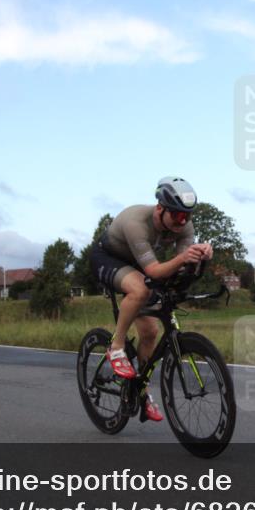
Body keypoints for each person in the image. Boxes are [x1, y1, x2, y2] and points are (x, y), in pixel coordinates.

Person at [89, 176, 213, 421]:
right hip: (108, 258)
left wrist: (202, 257)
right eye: (177, 216)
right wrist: (183, 257)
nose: (183, 221)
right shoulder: (137, 222)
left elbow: (180, 268)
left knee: (150, 333)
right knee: (140, 290)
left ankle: (141, 393)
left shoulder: (184, 226)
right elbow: (155, 271)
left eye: (187, 216)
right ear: (160, 208)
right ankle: (116, 347)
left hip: (139, 262)